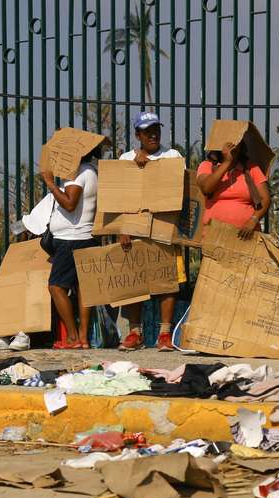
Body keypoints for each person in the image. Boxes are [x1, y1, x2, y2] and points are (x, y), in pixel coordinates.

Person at [116, 112, 184, 352]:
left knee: (167, 280)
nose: (153, 134)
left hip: (165, 227)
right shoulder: (126, 158)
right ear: (138, 135)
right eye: (147, 131)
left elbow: (177, 184)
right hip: (135, 229)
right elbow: (120, 195)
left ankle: (165, 333)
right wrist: (122, 228)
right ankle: (135, 332)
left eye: (156, 129)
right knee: (136, 281)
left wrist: (149, 164)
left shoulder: (172, 155)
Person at [42, 143, 103, 350]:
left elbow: (70, 203)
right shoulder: (92, 171)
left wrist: (50, 183)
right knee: (83, 289)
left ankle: (72, 337)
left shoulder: (77, 173)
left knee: (56, 287)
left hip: (71, 239)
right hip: (86, 237)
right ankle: (83, 338)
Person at [196, 134, 271, 239]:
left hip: (246, 236)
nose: (232, 146)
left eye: (236, 143)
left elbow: (265, 199)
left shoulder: (251, 168)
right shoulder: (207, 166)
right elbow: (206, 188)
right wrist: (227, 162)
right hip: (214, 236)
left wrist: (253, 220)